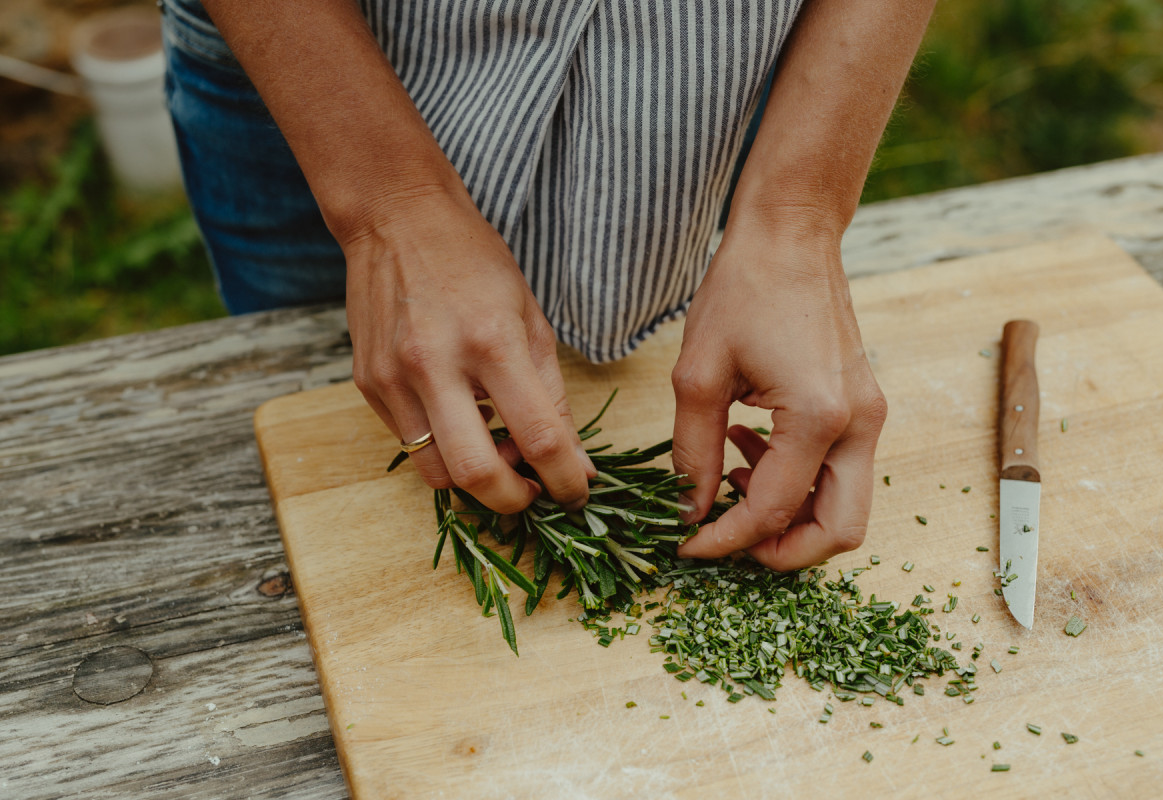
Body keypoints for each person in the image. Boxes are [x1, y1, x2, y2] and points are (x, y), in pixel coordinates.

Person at [161, 0, 935, 571]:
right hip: (315, 69)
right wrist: (383, 207)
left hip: (724, 90)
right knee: (312, 395)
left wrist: (794, 217)